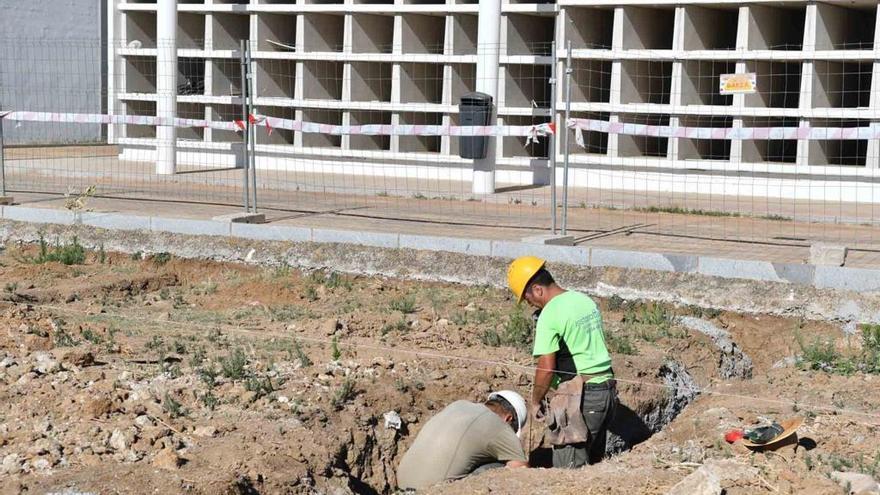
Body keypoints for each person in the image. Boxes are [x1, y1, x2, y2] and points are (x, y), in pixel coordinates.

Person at [507, 256, 617, 468]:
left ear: (538, 290)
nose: (530, 304)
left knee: (568, 472)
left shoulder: (550, 314)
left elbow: (546, 368)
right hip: (607, 392)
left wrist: (536, 400)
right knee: (592, 466)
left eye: (528, 299)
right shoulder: (583, 300)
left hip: (583, 397)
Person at [396, 390, 530, 490]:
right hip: (432, 490)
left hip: (401, 485)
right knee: (499, 469)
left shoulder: (458, 405)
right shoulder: (501, 426)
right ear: (508, 418)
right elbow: (521, 470)